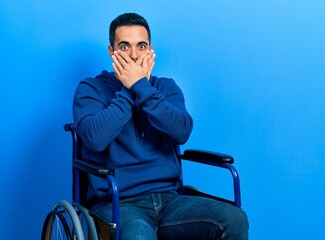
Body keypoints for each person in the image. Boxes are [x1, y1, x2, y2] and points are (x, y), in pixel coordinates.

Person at [73, 12, 249, 240]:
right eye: (124, 47)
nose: (134, 55)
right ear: (111, 52)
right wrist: (130, 88)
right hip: (118, 203)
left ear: (150, 50)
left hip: (170, 200)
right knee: (138, 235)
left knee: (234, 218)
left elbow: (182, 131)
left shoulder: (165, 88)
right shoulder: (91, 89)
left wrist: (142, 88)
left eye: (141, 46)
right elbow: (95, 138)